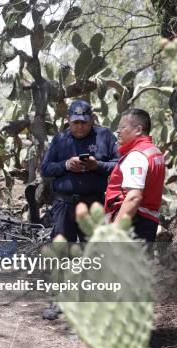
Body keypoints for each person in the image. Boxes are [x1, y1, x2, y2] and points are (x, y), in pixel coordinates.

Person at [41, 100, 119, 242]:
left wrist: (98, 165)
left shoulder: (104, 136)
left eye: (84, 122)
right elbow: (45, 168)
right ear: (68, 121)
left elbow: (120, 165)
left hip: (94, 205)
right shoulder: (60, 139)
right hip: (64, 206)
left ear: (92, 119)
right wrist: (66, 165)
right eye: (75, 123)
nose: (80, 127)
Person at [105, 109, 165, 242]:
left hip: (133, 224)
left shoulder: (136, 156)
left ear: (138, 130)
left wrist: (115, 230)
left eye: (123, 127)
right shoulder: (154, 152)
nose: (118, 131)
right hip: (147, 222)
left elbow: (133, 197)